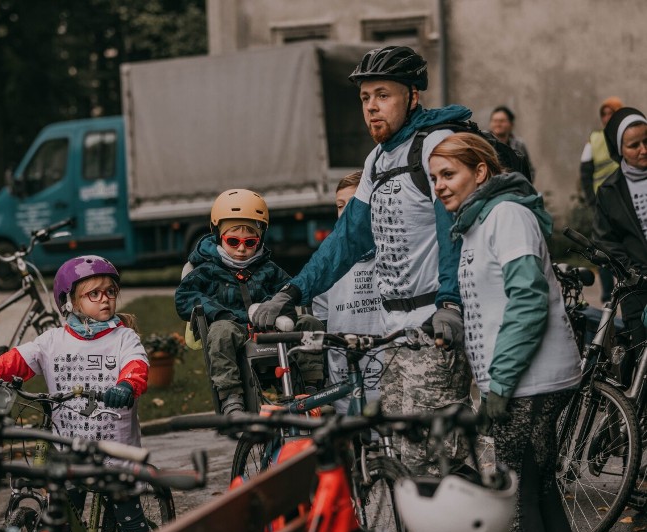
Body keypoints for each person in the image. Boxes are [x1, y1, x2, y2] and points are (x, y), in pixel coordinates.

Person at [252, 45, 472, 475]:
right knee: (403, 461)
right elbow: (346, 240)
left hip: (433, 325)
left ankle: (469, 531)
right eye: (365, 97)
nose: (372, 107)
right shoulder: (377, 160)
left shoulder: (435, 147)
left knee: (436, 461)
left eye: (383, 95)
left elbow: (455, 232)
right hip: (392, 333)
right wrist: (290, 291)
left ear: (412, 96)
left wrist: (450, 303)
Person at [429, 131, 579, 532]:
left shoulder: (507, 215)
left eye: (449, 174)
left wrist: (501, 387)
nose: (439, 185)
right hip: (522, 382)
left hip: (530, 382)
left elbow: (528, 301)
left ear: (481, 172)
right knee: (540, 491)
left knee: (518, 504)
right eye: (434, 176)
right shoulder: (479, 221)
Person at [0, 255, 152, 532]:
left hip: (115, 453)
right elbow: (15, 360)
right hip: (68, 451)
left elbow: (136, 365)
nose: (105, 299)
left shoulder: (124, 338)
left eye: (110, 292)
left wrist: (126, 385)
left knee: (132, 526)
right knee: (62, 524)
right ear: (70, 303)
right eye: (94, 294)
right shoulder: (52, 341)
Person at [175, 189, 324, 415]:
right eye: (233, 241)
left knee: (309, 323)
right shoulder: (207, 270)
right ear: (218, 237)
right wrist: (220, 313)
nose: (242, 249)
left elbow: (290, 291)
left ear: (260, 239)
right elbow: (185, 297)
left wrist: (276, 309)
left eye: (250, 241)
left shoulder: (269, 269)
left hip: (271, 328)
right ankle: (231, 397)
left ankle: (312, 388)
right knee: (221, 331)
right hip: (235, 330)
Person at [311, 171, 382, 415]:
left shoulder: (388, 253)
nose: (345, 213)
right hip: (343, 377)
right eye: (340, 206)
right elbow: (320, 319)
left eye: (353, 205)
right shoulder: (328, 262)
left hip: (386, 373)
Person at [593, 106, 647, 385]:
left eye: (646, 141)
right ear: (619, 148)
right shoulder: (610, 190)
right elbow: (605, 238)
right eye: (634, 145)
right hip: (637, 288)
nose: (643, 149)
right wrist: (631, 272)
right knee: (640, 357)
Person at [581, 96, 625, 303]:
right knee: (604, 248)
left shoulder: (629, 136)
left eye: (612, 112)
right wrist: (592, 201)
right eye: (604, 114)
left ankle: (629, 287)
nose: (608, 117)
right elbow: (585, 173)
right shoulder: (595, 139)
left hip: (627, 201)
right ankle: (608, 293)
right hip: (603, 202)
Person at [488, 105, 535, 180]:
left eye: (502, 121)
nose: (498, 124)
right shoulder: (484, 143)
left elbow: (529, 170)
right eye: (495, 121)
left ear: (511, 124)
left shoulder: (519, 144)